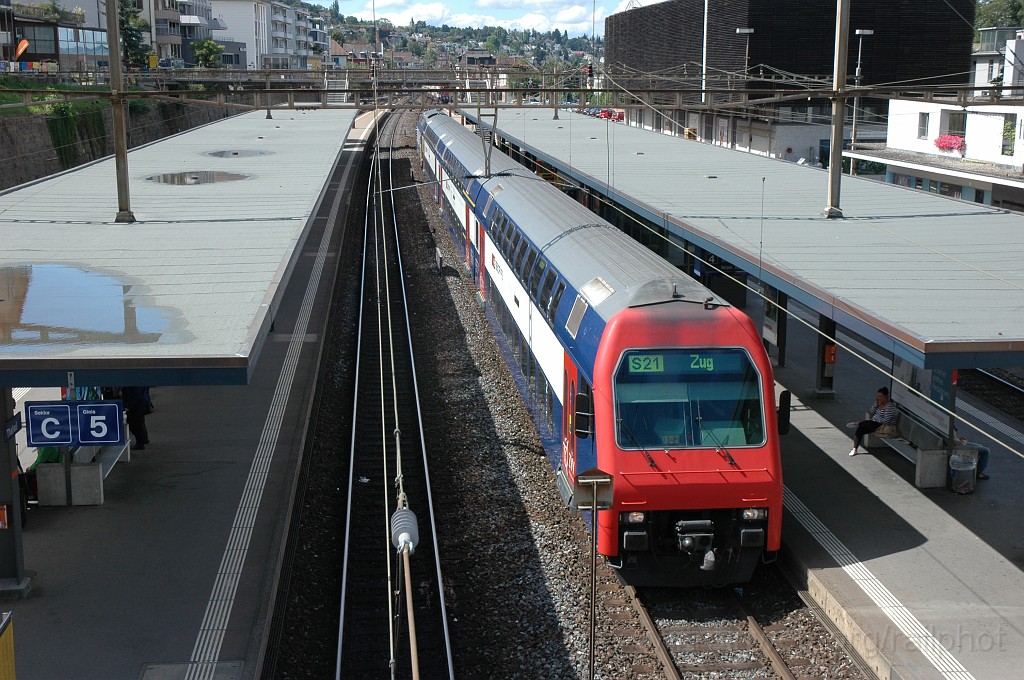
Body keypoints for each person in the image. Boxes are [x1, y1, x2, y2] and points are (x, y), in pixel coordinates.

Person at [849, 386, 898, 456]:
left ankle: (858, 423)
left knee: (869, 423)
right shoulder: (878, 404)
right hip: (875, 424)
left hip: (884, 427)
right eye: (877, 396)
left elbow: (886, 421)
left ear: (886, 396)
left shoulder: (889, 407)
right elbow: (871, 411)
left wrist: (876, 418)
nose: (878, 398)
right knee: (860, 429)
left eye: (880, 396)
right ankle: (854, 449)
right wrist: (876, 404)